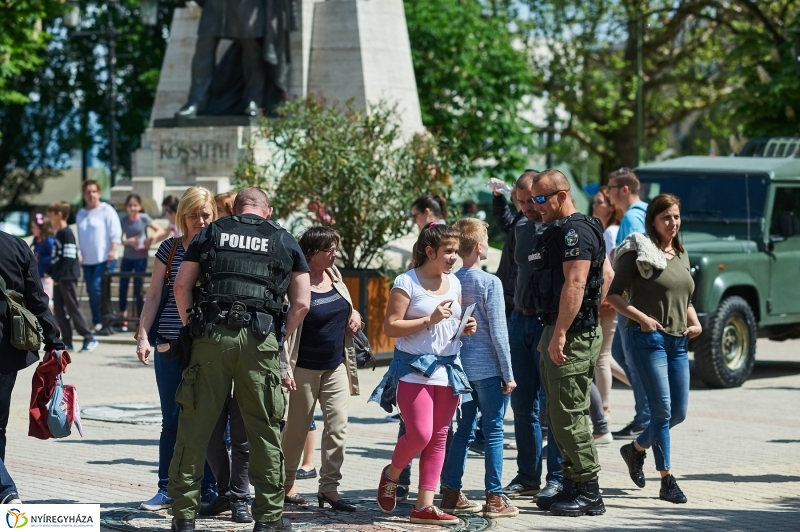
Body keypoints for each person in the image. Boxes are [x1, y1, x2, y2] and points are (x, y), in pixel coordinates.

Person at [167, 188, 311, 532]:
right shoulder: (284, 239)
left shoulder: (211, 233)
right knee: (263, 431)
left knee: (195, 427)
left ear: (234, 209)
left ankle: (184, 517)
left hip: (211, 338)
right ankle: (268, 518)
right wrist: (278, 338)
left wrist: (192, 329)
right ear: (268, 210)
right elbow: (302, 302)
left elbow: (181, 286)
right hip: (260, 341)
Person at [370, 224, 476, 526]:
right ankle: (391, 474)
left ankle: (424, 506)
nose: (454, 257)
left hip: (448, 369)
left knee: (439, 437)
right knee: (420, 434)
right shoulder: (407, 281)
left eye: (456, 251)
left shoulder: (454, 282)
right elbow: (390, 326)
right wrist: (429, 319)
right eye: (449, 251)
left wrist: (465, 328)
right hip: (413, 369)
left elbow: (450, 325)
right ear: (430, 251)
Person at [527, 169, 614, 517]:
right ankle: (572, 484)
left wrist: (563, 330)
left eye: (540, 198)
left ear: (562, 195)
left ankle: (589, 491)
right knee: (557, 413)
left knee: (569, 414)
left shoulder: (576, 231)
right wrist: (552, 329)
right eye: (532, 198)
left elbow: (576, 283)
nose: (535, 205)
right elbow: (606, 275)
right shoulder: (563, 230)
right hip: (559, 328)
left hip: (572, 335)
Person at [607, 194, 701, 505]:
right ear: (653, 221)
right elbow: (614, 295)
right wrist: (642, 318)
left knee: (678, 413)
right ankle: (667, 479)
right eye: (666, 218)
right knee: (661, 412)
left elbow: (684, 297)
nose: (673, 223)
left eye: (676, 217)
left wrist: (696, 323)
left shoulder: (681, 252)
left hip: (678, 341)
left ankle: (634, 449)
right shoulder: (639, 252)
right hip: (648, 339)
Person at [135, 187, 220, 513]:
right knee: (171, 420)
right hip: (170, 344)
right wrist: (143, 334)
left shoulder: (218, 248)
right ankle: (167, 488)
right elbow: (154, 296)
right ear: (182, 216)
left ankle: (209, 489)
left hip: (207, 344)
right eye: (193, 215)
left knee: (209, 419)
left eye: (205, 214)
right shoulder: (169, 249)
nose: (200, 221)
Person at [441, 218, 518, 519]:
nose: (487, 245)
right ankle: (494, 498)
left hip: (461, 368)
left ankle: (450, 492)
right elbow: (499, 332)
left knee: (463, 431)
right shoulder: (490, 282)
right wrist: (508, 374)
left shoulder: (452, 281)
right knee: (494, 431)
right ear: (477, 247)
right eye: (485, 240)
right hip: (488, 369)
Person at [282, 227, 362, 512]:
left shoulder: (334, 274)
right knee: (296, 431)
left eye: (335, 248)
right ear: (310, 253)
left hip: (335, 365)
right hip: (302, 368)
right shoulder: (294, 282)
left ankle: (329, 487)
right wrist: (283, 366)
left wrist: (355, 314)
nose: (334, 254)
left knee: (338, 427)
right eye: (329, 250)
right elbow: (285, 328)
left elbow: (345, 305)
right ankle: (286, 484)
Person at [502, 170, 563, 504]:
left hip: (547, 323)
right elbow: (509, 273)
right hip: (518, 319)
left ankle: (557, 478)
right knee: (522, 405)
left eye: (533, 201)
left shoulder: (561, 230)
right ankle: (527, 477)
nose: (528, 207)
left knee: (553, 407)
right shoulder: (521, 228)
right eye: (521, 201)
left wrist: (559, 328)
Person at [0, 229, 65, 503]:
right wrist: (54, 341)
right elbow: (37, 298)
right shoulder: (16, 246)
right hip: (8, 347)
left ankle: (5, 490)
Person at [606, 168, 651, 440]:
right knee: (625, 356)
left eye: (611, 187)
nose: (607, 193)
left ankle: (645, 418)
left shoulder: (632, 217)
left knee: (632, 359)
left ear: (624, 189)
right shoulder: (646, 212)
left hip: (631, 298)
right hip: (640, 298)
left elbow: (634, 259)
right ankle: (647, 414)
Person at [591, 187, 630, 420]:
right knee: (604, 357)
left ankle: (603, 411)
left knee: (601, 358)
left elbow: (610, 268)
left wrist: (602, 298)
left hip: (605, 300)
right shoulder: (609, 230)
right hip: (610, 299)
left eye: (599, 203)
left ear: (611, 207)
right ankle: (644, 388)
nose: (594, 206)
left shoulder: (610, 232)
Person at [47, 202, 97, 353]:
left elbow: (69, 258)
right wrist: (51, 272)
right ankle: (67, 340)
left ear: (59, 215)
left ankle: (89, 337)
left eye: (51, 215)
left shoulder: (66, 233)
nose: (49, 219)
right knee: (59, 310)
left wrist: (57, 276)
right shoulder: (59, 233)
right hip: (59, 278)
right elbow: (58, 257)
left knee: (72, 307)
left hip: (67, 277)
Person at [76, 180, 122, 329]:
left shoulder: (106, 210)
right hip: (87, 260)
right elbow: (79, 236)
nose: (91, 195)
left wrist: (113, 250)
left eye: (94, 191)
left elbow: (115, 232)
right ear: (84, 195)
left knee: (97, 287)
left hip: (104, 258)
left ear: (99, 193)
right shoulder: (81, 214)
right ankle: (97, 320)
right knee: (91, 290)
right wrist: (79, 252)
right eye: (88, 192)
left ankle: (104, 318)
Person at [119, 194, 164, 325]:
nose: (132, 208)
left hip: (140, 257)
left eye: (135, 205)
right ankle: (122, 317)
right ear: (126, 207)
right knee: (123, 286)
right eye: (130, 206)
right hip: (127, 257)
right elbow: (118, 238)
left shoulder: (144, 218)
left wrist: (150, 240)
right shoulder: (123, 220)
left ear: (140, 206)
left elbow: (159, 230)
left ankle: (140, 319)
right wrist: (128, 241)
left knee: (138, 288)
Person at [490, 178, 524, 316]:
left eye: (517, 184)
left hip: (514, 305)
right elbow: (505, 221)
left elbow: (519, 268)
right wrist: (498, 197)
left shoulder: (527, 224)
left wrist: (507, 299)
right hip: (510, 302)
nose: (513, 187)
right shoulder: (521, 219)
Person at [30, 213, 55, 312]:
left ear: (41, 228)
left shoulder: (49, 241)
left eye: (34, 227)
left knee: (47, 301)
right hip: (39, 276)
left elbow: (55, 258)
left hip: (47, 277)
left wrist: (49, 271)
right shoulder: (36, 241)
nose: (32, 229)